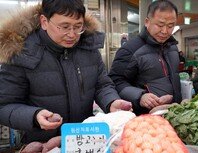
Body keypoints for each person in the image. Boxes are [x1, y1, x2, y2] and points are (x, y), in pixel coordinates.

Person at [0, 0, 132, 144]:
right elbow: (5, 105)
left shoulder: (89, 48)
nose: (72, 34)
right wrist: (34, 116)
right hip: (42, 144)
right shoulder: (20, 52)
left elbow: (102, 85)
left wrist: (111, 101)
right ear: (44, 21)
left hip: (85, 140)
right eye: (64, 27)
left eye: (78, 27)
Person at [109, 0, 182, 115]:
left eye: (170, 26)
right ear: (147, 22)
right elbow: (115, 81)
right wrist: (140, 96)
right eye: (160, 25)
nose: (165, 31)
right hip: (143, 117)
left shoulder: (173, 48)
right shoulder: (130, 49)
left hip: (173, 113)